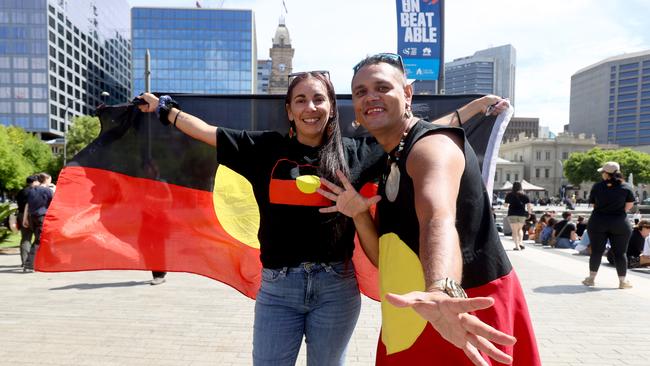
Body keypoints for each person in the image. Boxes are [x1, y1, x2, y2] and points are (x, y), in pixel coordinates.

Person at [136, 71, 489, 365]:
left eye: (319, 99)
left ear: (331, 108)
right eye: (301, 100)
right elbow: (206, 132)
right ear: (289, 110)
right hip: (278, 289)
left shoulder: (356, 152)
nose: (311, 107)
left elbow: (413, 137)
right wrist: (165, 110)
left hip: (336, 288)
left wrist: (470, 111)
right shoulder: (264, 149)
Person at [318, 53, 540, 365]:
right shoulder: (391, 155)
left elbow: (438, 217)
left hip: (461, 307)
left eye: (382, 87)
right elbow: (386, 258)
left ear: (407, 94)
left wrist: (440, 289)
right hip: (414, 310)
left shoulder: (431, 148)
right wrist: (358, 214)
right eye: (361, 92)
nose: (371, 97)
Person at [582, 161, 635, 289]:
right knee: (620, 253)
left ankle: (591, 279)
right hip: (619, 223)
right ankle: (622, 281)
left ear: (606, 174)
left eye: (603, 173)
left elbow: (594, 205)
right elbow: (628, 207)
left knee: (596, 252)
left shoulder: (597, 187)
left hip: (598, 222)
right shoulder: (626, 187)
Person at [22, 176, 54, 272]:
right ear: (46, 180)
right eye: (50, 180)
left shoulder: (32, 190)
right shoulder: (47, 191)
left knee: (42, 239)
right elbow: (53, 203)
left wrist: (25, 218)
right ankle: (29, 264)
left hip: (33, 217)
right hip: (42, 217)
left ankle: (45, 262)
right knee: (39, 240)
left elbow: (28, 205)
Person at [15, 175, 40, 266]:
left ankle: (25, 261)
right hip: (32, 215)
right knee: (38, 238)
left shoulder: (21, 191)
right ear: (35, 181)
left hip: (21, 215)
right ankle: (33, 261)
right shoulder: (35, 191)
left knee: (25, 238)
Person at [504, 181, 532, 250]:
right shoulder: (524, 195)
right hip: (521, 214)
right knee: (520, 229)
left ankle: (517, 246)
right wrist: (529, 213)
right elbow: (529, 206)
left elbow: (505, 205)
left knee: (514, 230)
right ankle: (520, 242)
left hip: (512, 214)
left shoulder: (509, 195)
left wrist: (508, 204)